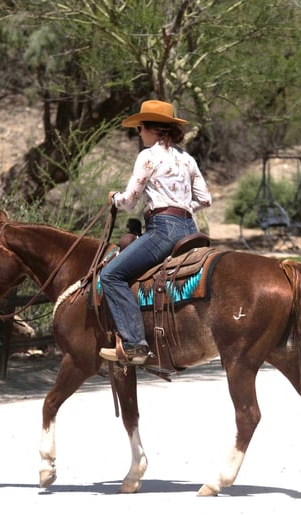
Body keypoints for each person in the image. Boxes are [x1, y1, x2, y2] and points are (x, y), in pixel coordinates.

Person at [99, 100, 212, 365]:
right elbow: (205, 199)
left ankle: (135, 344)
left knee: (111, 275)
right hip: (189, 228)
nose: (138, 133)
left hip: (163, 230)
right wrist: (181, 207)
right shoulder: (187, 158)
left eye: (140, 128)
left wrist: (114, 198)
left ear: (153, 129)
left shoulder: (148, 156)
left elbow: (129, 201)